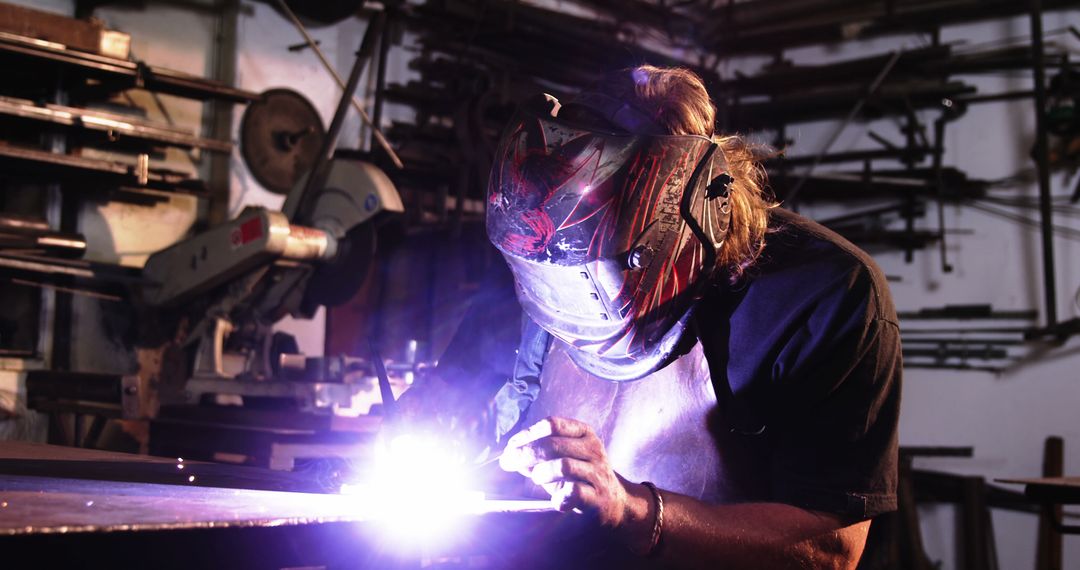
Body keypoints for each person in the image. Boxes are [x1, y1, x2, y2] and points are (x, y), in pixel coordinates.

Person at [406, 65, 901, 569]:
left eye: (599, 270)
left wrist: (634, 510)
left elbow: (830, 550)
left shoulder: (821, 296)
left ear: (687, 218)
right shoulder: (544, 250)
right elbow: (451, 397)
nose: (568, 298)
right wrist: (420, 428)